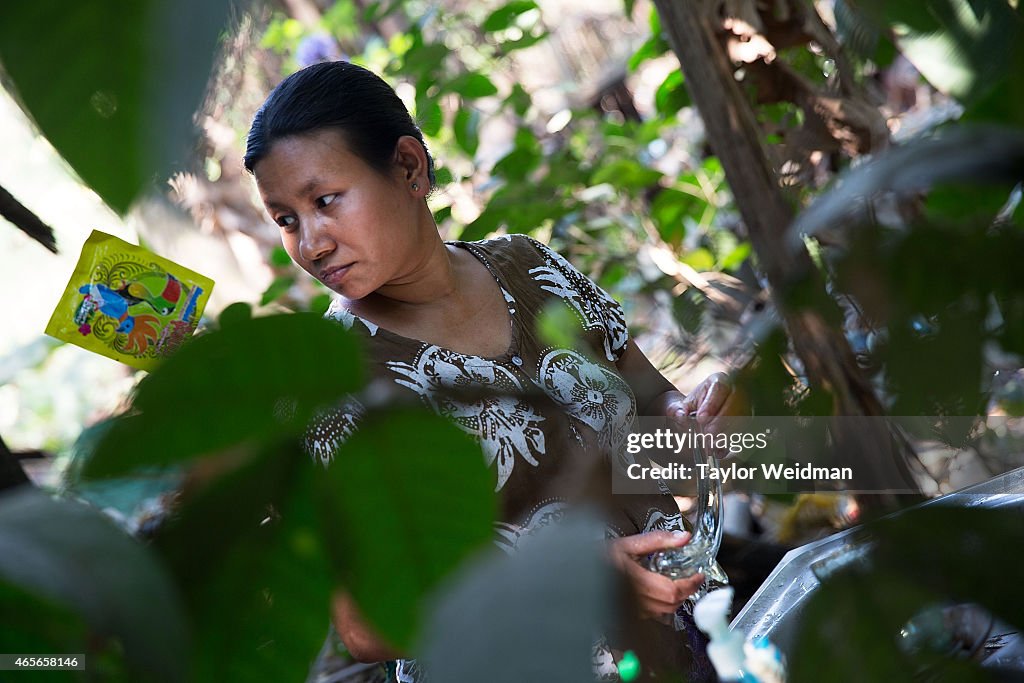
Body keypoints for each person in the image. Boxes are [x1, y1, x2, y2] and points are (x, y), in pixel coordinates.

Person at [244, 60, 737, 682]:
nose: (311, 242)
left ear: (407, 167)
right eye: (286, 219)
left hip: (689, 647)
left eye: (325, 201)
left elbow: (653, 433)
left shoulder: (530, 268)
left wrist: (699, 417)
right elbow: (364, 625)